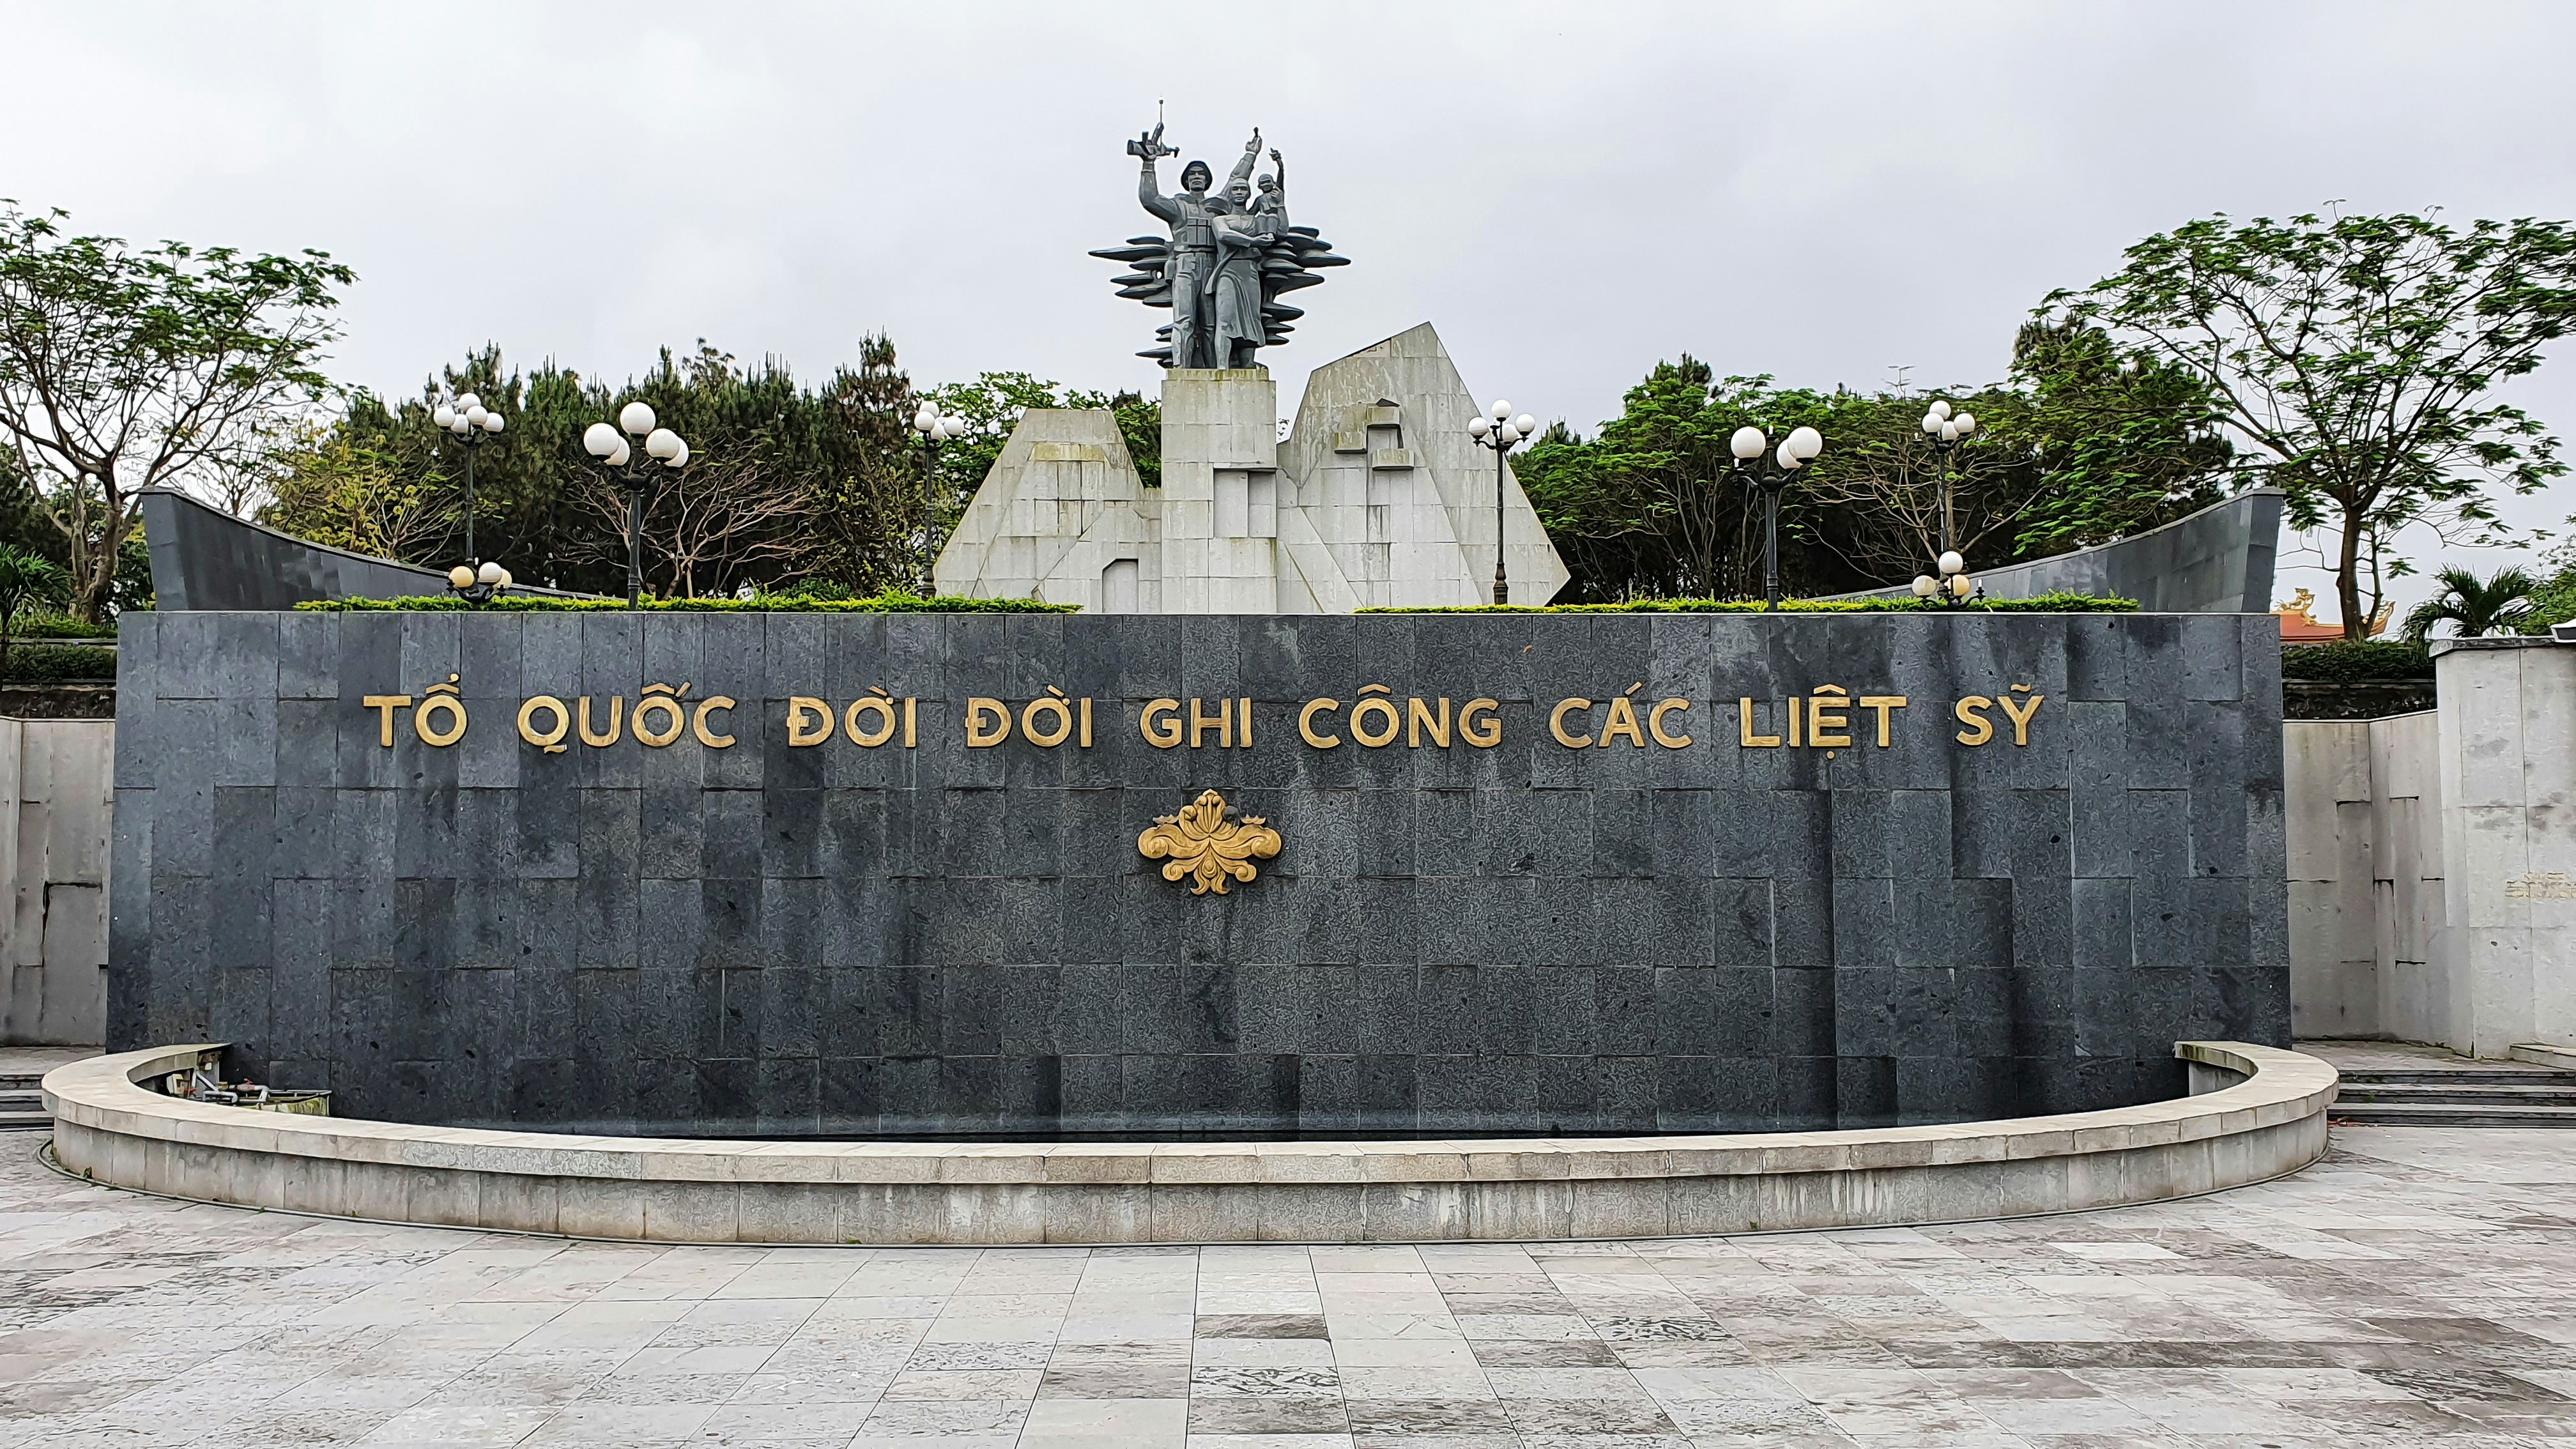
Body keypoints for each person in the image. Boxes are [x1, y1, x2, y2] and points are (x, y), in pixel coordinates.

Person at [1135, 128, 1262, 367]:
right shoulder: (1177, 206)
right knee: (1184, 321)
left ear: (1206, 180)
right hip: (1185, 265)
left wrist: (1250, 155)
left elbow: (1235, 181)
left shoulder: (1217, 205)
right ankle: (1180, 368)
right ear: (1186, 179)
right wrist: (1148, 164)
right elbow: (1149, 198)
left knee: (1211, 324)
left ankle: (1217, 370)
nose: (1196, 177)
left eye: (1201, 174)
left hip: (1213, 267)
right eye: (1192, 174)